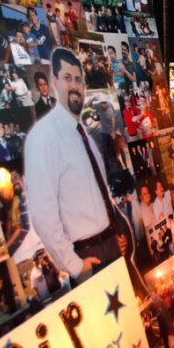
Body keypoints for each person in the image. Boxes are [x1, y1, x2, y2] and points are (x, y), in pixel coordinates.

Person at [25, 48, 147, 298]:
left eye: (78, 79)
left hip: (111, 247)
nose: (75, 85)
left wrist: (116, 235)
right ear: (54, 83)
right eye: (67, 78)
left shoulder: (82, 133)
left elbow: (97, 197)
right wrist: (74, 264)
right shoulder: (43, 137)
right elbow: (42, 215)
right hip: (87, 257)